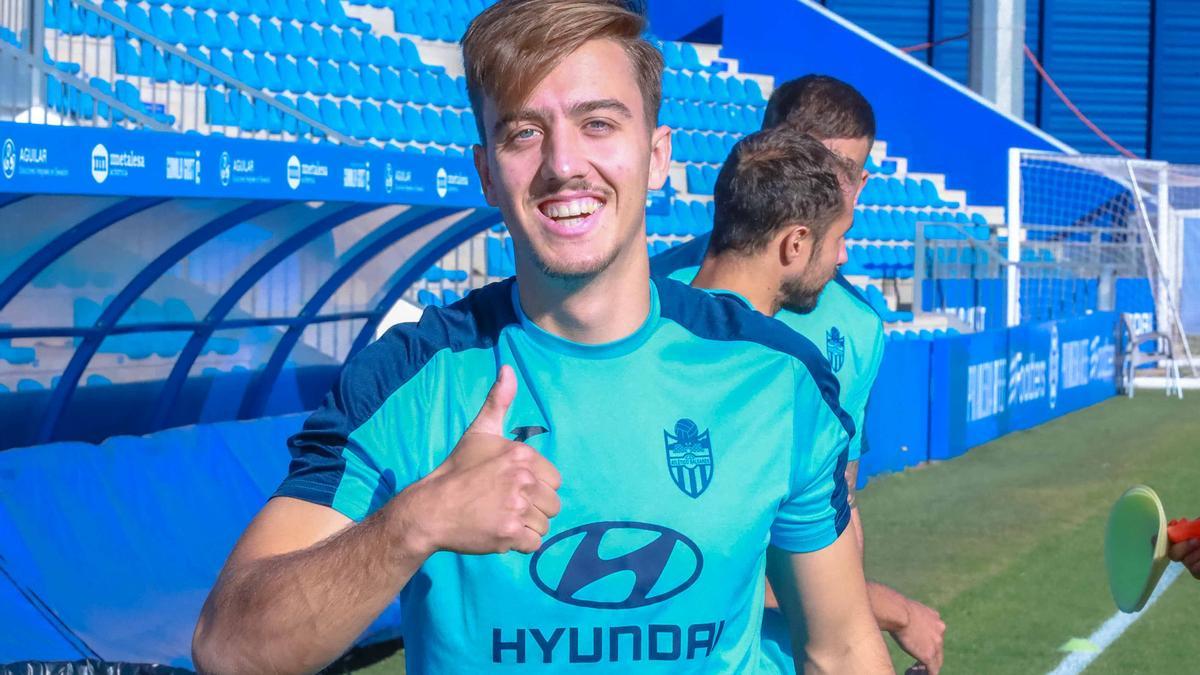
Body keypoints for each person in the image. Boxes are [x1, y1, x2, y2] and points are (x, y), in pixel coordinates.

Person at [191, 2, 891, 673]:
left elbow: (839, 650)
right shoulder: (409, 377)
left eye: (598, 123)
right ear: (487, 174)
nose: (563, 164)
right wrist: (413, 522)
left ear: (658, 155)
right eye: (524, 132)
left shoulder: (777, 376)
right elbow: (228, 644)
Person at [651, 74, 946, 674]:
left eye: (848, 171)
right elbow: (680, 538)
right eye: (816, 164)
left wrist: (851, 628)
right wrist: (892, 610)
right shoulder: (646, 304)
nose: (834, 187)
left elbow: (835, 505)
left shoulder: (859, 326)